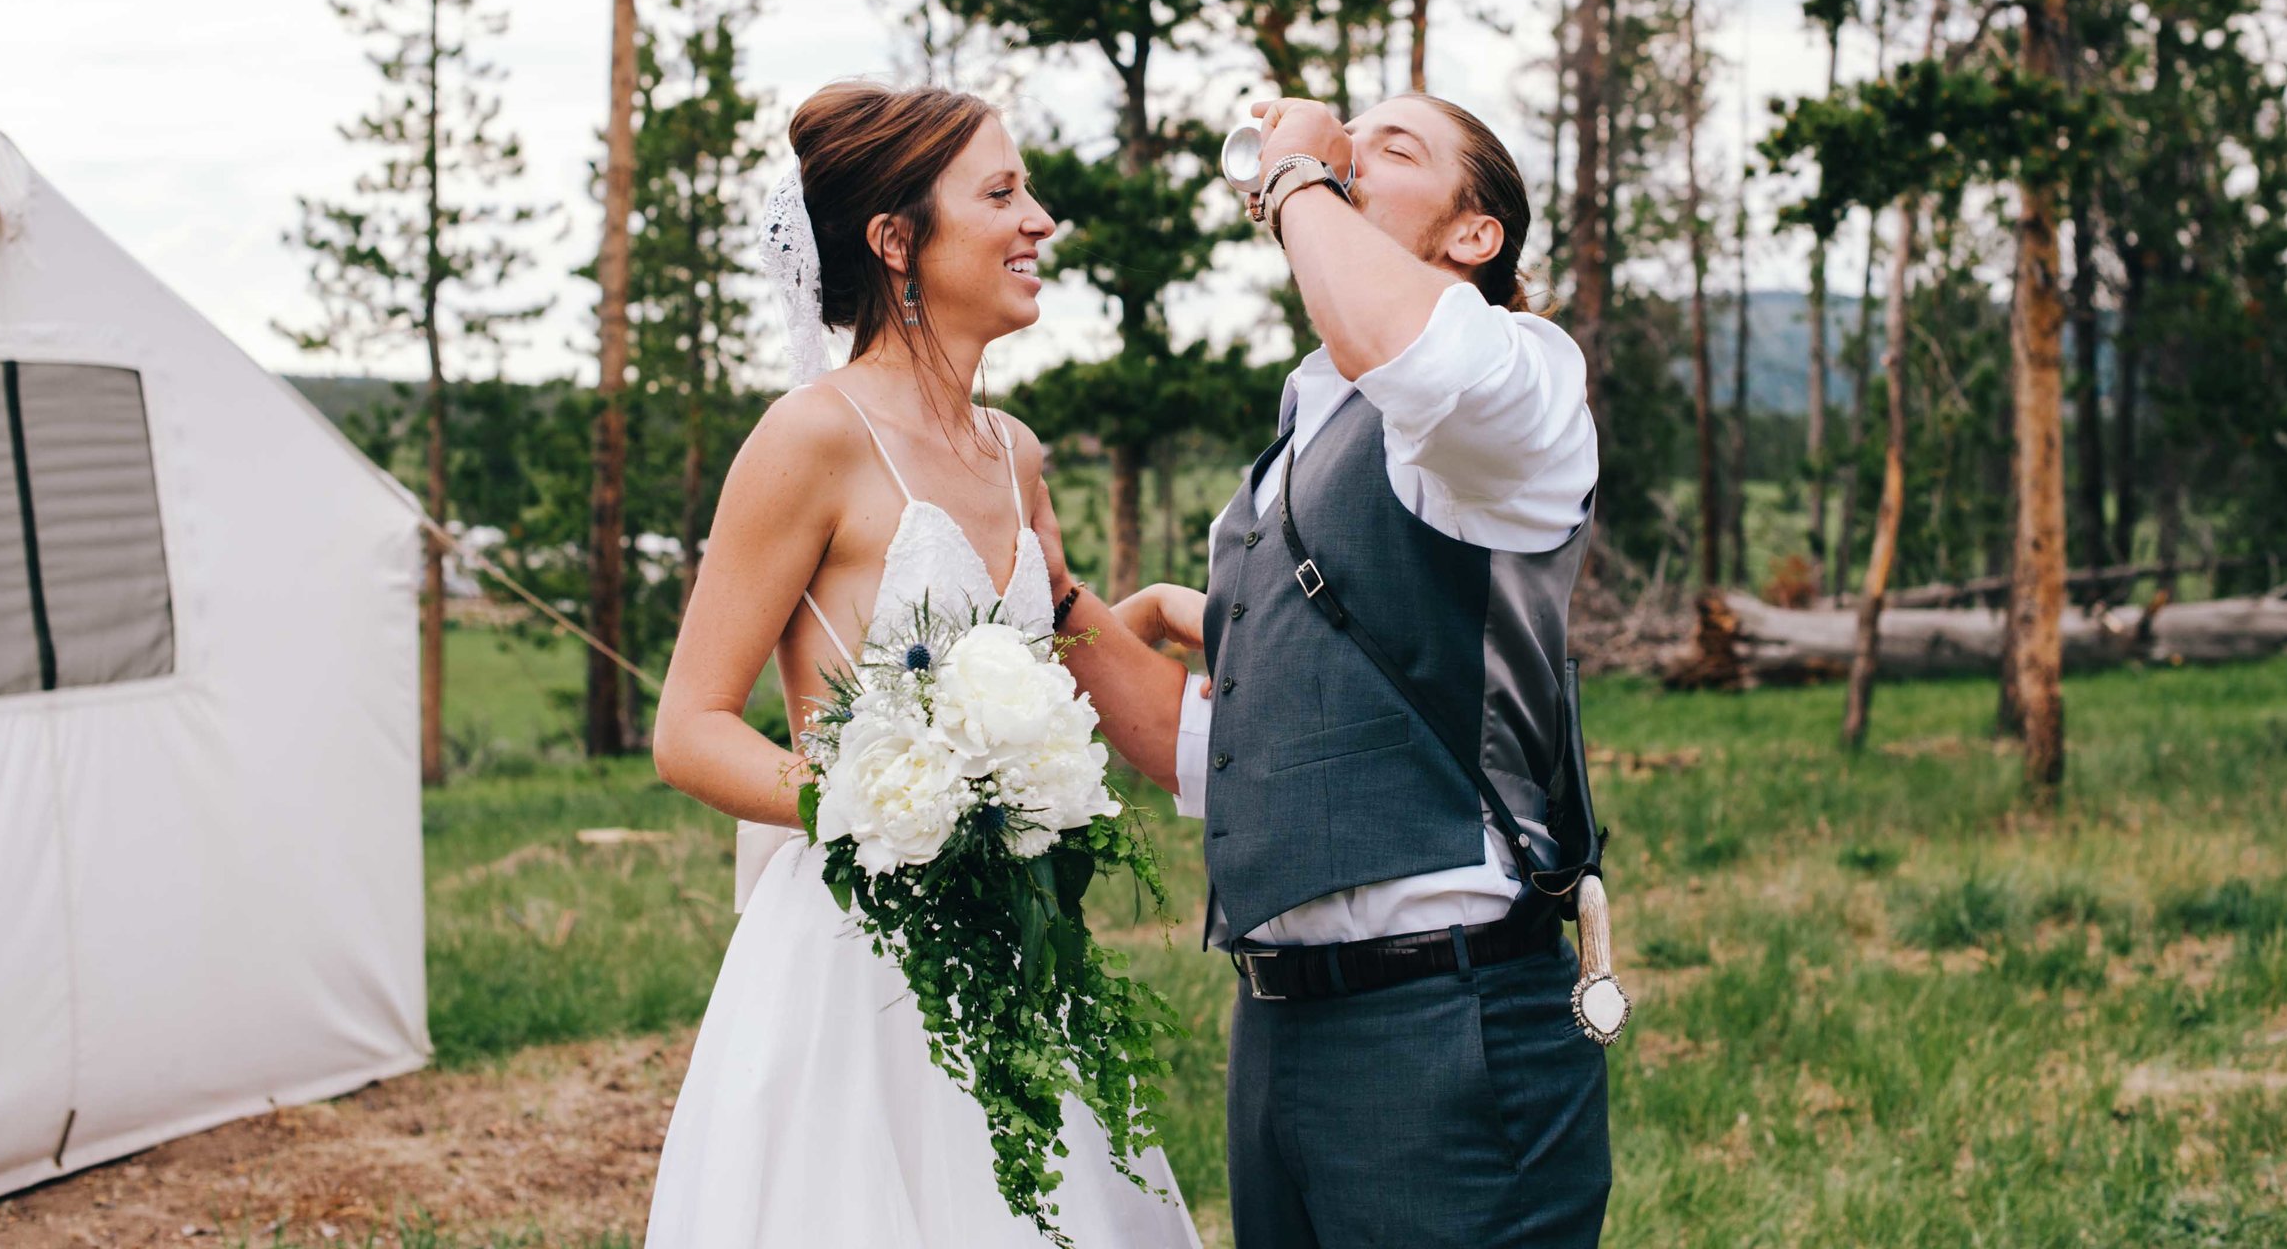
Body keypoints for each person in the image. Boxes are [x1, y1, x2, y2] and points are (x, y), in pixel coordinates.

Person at [1048, 93, 1612, 1249]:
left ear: (1474, 236)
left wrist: (1296, 170)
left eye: (1390, 149)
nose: (1349, 155)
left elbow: (1406, 347)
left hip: (1447, 1028)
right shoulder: (1304, 429)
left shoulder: (1517, 377)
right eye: (1344, 138)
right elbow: (1232, 755)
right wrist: (1056, 603)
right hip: (1279, 1039)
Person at [642, 81, 1198, 1249]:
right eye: (1000, 192)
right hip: (856, 962)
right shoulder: (811, 438)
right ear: (897, 240)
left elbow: (1024, 669)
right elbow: (688, 725)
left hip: (1015, 948)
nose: (1039, 218)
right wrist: (877, 804)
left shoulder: (1016, 455)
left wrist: (1140, 612)